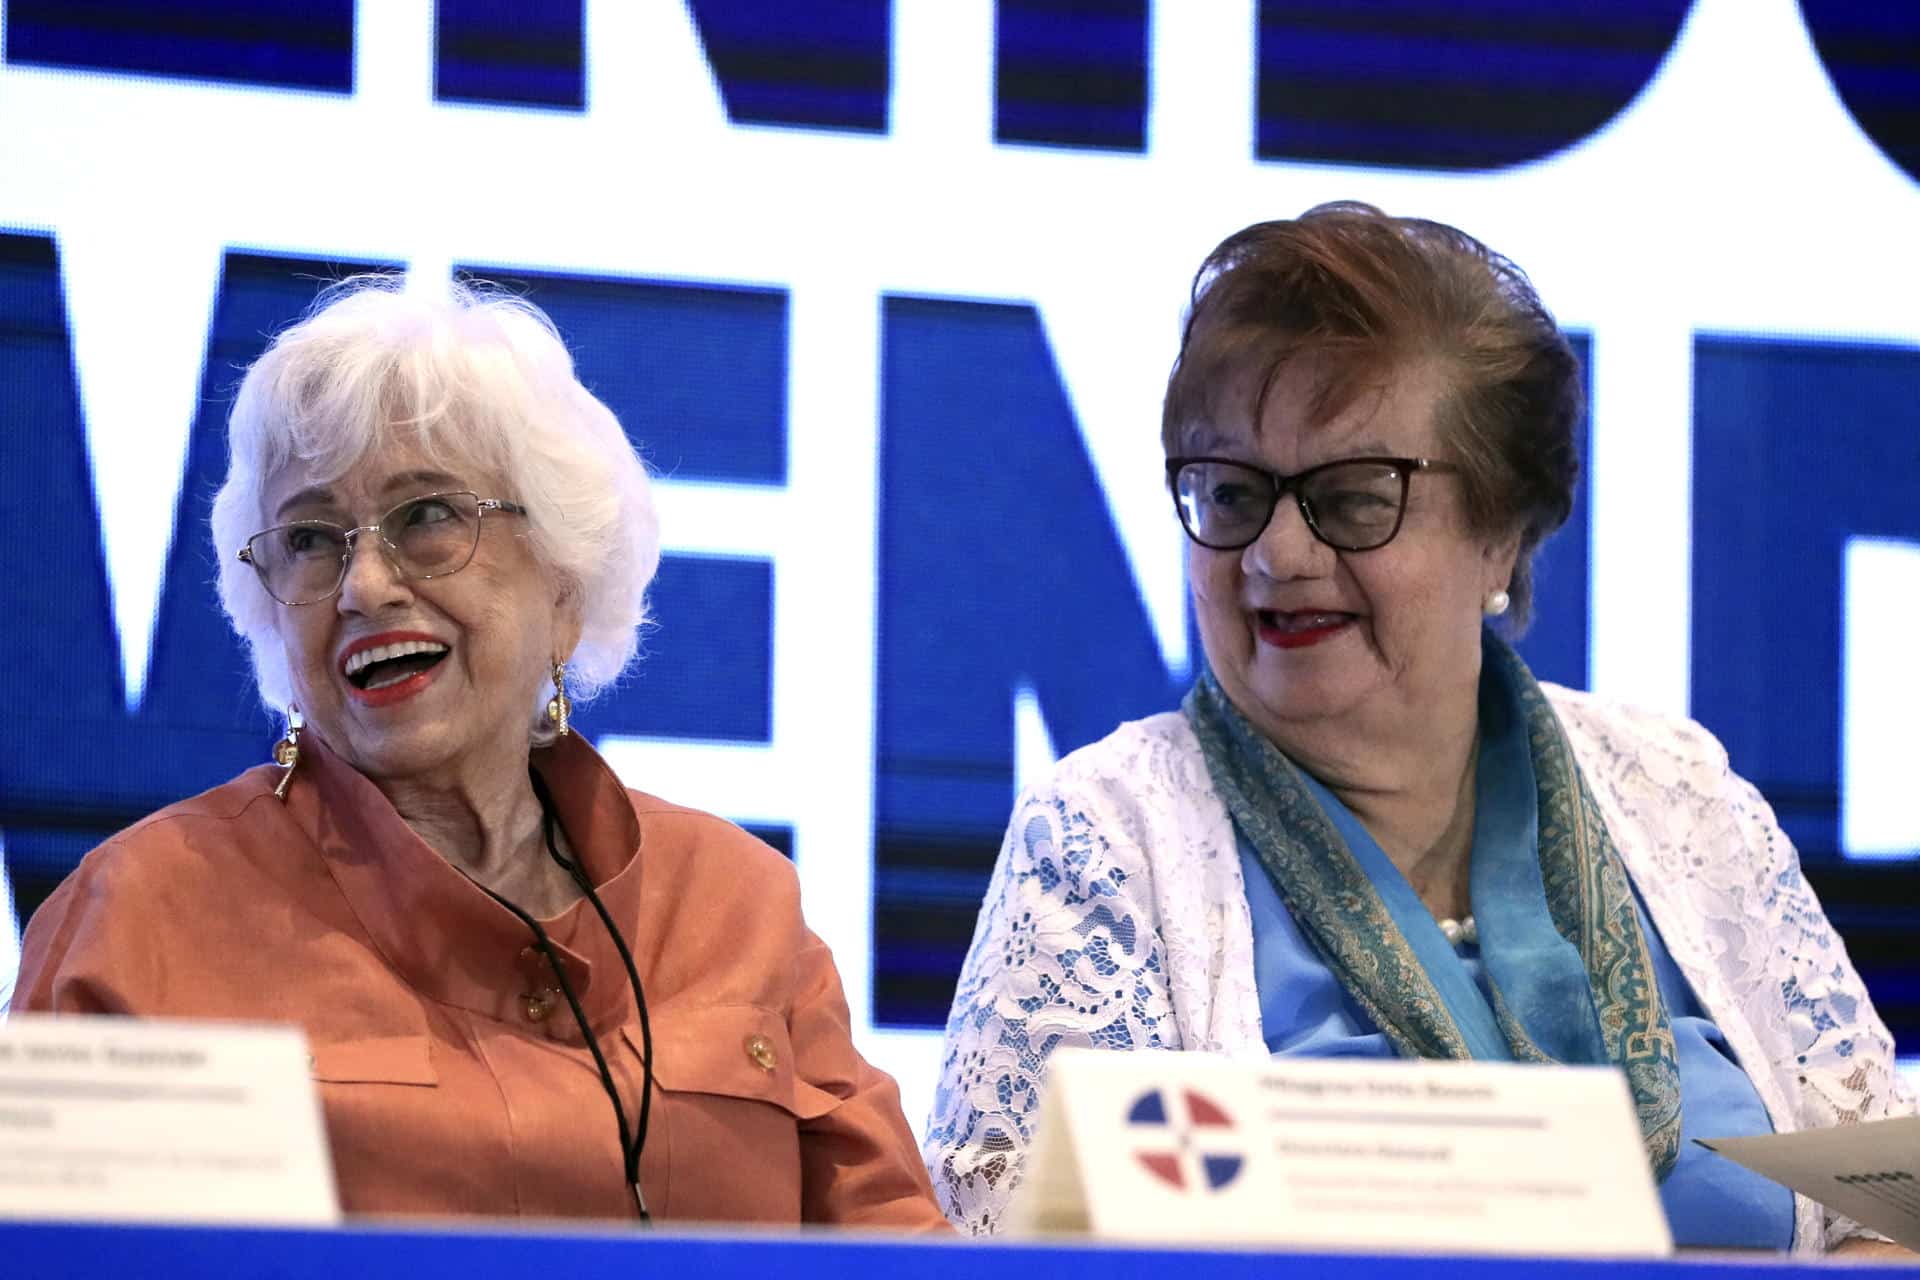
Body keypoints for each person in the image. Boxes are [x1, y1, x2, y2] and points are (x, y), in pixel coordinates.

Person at [923, 203, 1912, 1253]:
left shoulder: (1684, 798)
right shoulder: (1101, 840)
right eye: (1232, 493)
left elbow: (1889, 1210)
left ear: (1504, 533)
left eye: (1353, 498)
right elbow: (1026, 1257)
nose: (1277, 552)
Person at [12, 276, 946, 1230]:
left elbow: (902, 1246)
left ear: (566, 587)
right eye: (311, 538)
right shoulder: (140, 918)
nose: (366, 586)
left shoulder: (737, 905)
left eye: (428, 517)